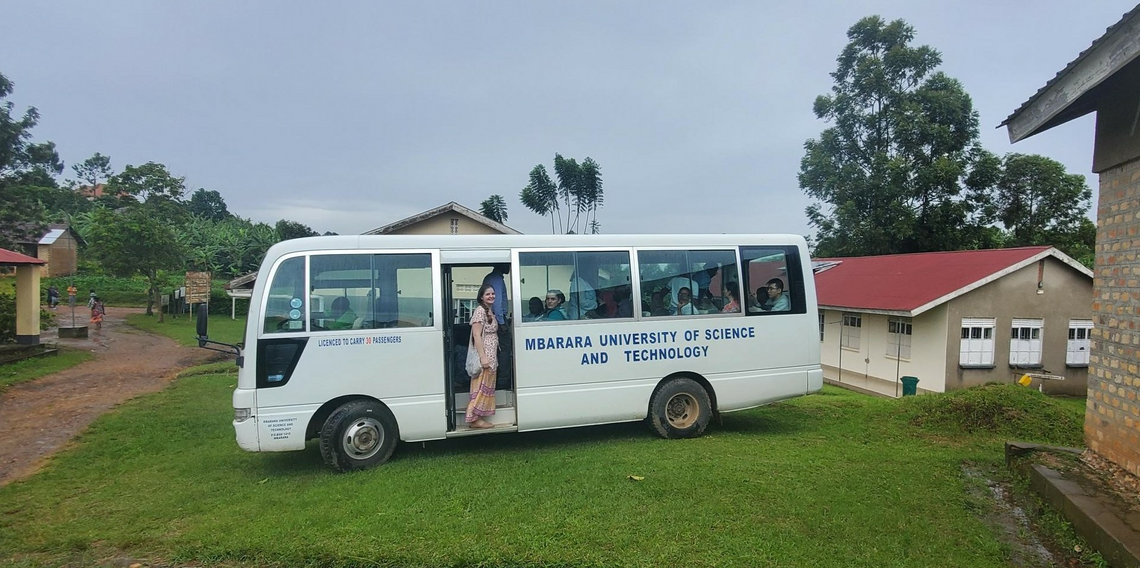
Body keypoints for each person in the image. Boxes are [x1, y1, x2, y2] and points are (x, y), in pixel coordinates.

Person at [465, 284, 498, 429]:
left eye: (493, 294)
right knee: (479, 387)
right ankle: (474, 418)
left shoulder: (490, 310)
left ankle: (478, 417)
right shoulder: (479, 311)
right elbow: (476, 336)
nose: (491, 296)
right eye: (487, 294)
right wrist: (483, 357)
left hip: (492, 356)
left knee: (487, 385)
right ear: (481, 297)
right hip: (484, 356)